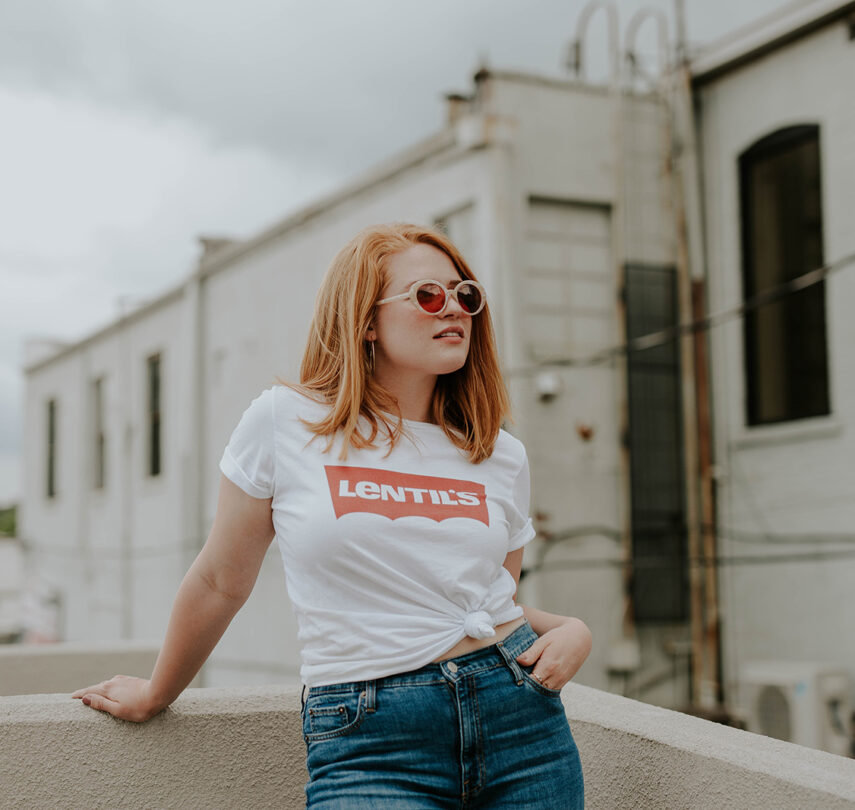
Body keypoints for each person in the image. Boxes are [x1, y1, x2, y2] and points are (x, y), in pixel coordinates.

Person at [73, 223, 592, 808]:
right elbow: (221, 579)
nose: (454, 309)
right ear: (365, 320)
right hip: (370, 737)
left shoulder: (497, 452)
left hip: (521, 722)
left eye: (465, 294)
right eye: (428, 295)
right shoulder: (286, 422)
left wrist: (571, 630)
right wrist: (157, 691)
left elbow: (478, 598)